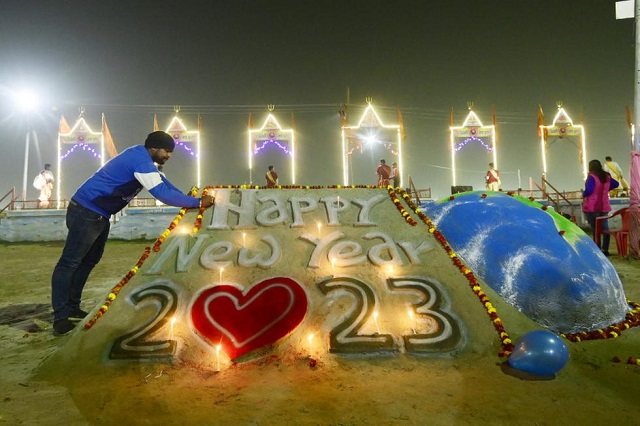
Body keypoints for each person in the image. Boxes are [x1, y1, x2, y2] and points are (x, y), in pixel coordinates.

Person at [50, 131, 215, 335]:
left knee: (88, 261)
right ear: (154, 148)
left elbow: (163, 183)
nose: (169, 156)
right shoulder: (140, 161)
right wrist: (197, 203)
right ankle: (60, 318)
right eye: (167, 151)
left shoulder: (144, 160)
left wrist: (186, 197)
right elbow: (161, 193)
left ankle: (72, 307)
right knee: (70, 263)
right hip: (87, 211)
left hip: (97, 213)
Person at [583, 159, 619, 256]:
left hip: (592, 206)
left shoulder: (592, 177)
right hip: (604, 206)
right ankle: (605, 249)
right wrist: (607, 189)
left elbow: (589, 190)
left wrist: (584, 193)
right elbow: (616, 184)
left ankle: (597, 249)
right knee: (604, 227)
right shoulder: (606, 176)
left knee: (595, 229)